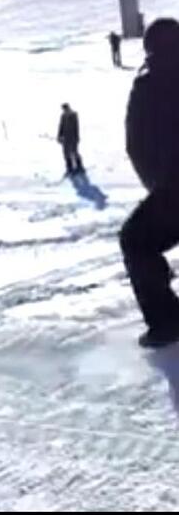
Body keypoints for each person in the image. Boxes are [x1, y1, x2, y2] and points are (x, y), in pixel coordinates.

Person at [121, 18, 179, 348]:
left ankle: (167, 321)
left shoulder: (148, 87)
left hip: (175, 191)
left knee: (135, 241)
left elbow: (137, 145)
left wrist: (159, 188)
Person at [57, 103, 84, 176]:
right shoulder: (63, 116)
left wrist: (77, 137)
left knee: (74, 152)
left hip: (73, 137)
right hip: (65, 138)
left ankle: (79, 167)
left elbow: (76, 127)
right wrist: (59, 136)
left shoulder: (74, 115)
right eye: (64, 109)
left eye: (66, 109)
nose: (65, 110)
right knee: (66, 153)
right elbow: (61, 126)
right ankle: (69, 168)